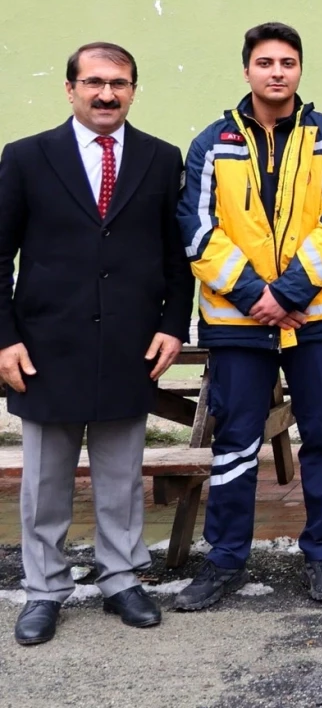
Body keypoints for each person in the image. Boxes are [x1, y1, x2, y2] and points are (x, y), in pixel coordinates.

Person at [0, 43, 191, 646]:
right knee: (46, 481)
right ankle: (45, 589)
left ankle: (120, 578)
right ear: (70, 88)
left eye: (119, 83)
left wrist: (172, 325)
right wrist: (4, 340)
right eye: (94, 82)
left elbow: (176, 257)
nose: (106, 94)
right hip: (45, 346)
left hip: (129, 343)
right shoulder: (28, 157)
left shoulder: (161, 159)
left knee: (119, 474)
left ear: (134, 89)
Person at [174, 22, 322, 611]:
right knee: (234, 441)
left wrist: (288, 294)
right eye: (265, 62)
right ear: (247, 70)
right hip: (238, 321)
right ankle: (225, 559)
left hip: (317, 317)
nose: (276, 72)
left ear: (300, 70)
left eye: (287, 62)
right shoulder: (211, 143)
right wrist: (258, 295)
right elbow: (197, 229)